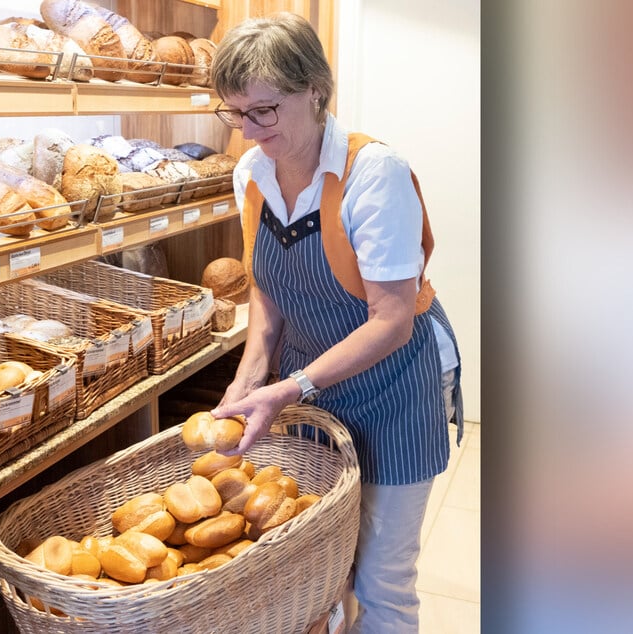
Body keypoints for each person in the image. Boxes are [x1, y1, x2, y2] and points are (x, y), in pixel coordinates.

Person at [206, 12, 464, 634]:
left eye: (264, 110)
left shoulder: (372, 174)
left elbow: (393, 319)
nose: (247, 131)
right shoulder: (252, 174)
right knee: (320, 564)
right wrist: (248, 376)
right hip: (312, 386)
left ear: (315, 91)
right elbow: (269, 295)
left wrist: (290, 388)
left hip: (395, 387)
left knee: (381, 580)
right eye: (234, 113)